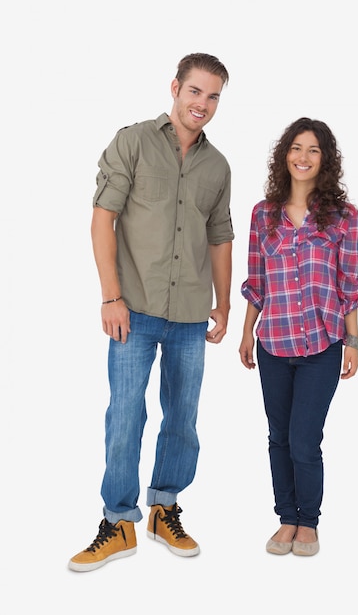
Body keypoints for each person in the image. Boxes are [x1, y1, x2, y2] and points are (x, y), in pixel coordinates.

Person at [69, 53, 233, 572]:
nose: (202, 104)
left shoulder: (218, 165)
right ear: (175, 88)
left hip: (189, 313)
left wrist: (224, 304)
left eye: (212, 97)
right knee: (125, 415)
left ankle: (165, 509)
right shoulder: (133, 141)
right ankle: (118, 521)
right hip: (133, 308)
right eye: (195, 92)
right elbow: (102, 220)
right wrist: (110, 296)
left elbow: (220, 237)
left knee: (182, 418)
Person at [239, 117, 358, 556]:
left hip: (322, 345)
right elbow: (257, 281)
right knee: (277, 437)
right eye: (296, 148)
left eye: (313, 150)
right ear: (284, 155)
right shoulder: (263, 215)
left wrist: (353, 343)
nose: (303, 157)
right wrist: (245, 332)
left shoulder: (344, 219)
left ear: (325, 160)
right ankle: (286, 518)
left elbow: (348, 284)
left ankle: (308, 522)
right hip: (272, 343)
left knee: (304, 439)